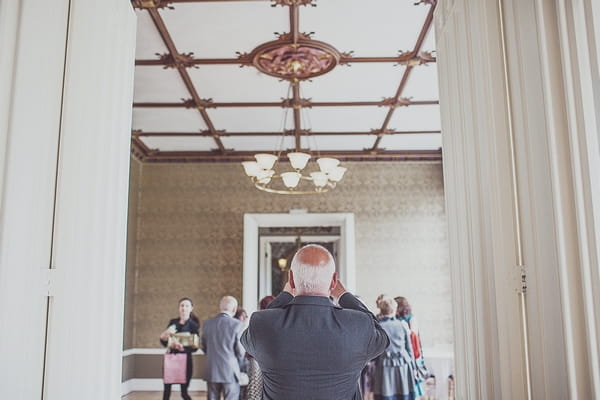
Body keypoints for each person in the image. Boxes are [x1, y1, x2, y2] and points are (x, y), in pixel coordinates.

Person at [241, 244, 389, 400]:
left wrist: (285, 295)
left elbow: (250, 336)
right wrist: (345, 296)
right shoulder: (359, 325)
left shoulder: (262, 323)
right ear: (333, 281)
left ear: (290, 279)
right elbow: (383, 338)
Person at [201, 295, 246, 400]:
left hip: (211, 371)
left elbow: (203, 347)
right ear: (234, 309)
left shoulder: (207, 324)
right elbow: (240, 352)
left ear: (220, 307)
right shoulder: (238, 325)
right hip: (230, 372)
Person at [373, 296, 417, 400]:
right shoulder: (403, 325)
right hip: (403, 364)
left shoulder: (378, 326)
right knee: (403, 394)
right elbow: (409, 348)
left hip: (385, 366)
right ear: (394, 309)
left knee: (386, 394)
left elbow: (374, 350)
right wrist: (414, 367)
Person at [159, 297, 200, 400]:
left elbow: (195, 347)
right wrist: (166, 339)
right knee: (166, 391)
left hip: (186, 361)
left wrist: (183, 349)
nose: (184, 308)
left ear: (191, 308)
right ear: (179, 308)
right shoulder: (173, 322)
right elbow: (164, 341)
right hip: (171, 359)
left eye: (187, 306)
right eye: (182, 305)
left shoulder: (194, 325)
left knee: (184, 393)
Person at [245, 295, 275, 400]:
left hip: (256, 358)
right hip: (273, 360)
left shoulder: (257, 319)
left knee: (254, 390)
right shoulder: (278, 320)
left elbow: (249, 339)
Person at [395, 296, 427, 396]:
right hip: (402, 354)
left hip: (413, 352)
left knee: (414, 378)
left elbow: (413, 335)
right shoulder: (395, 319)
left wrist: (403, 327)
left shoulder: (411, 319)